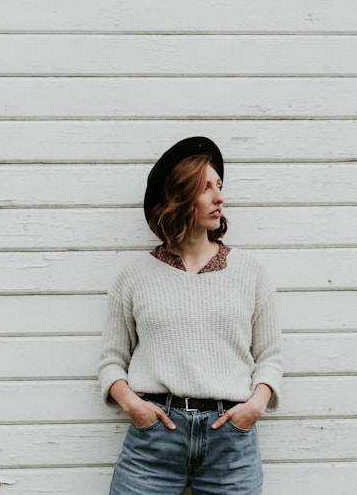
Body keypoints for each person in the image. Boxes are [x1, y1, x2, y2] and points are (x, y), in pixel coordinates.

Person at [98, 136, 283, 494]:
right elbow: (111, 361)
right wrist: (136, 407)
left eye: (220, 186)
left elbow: (270, 357)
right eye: (206, 189)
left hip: (230, 440)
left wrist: (254, 407)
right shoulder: (134, 276)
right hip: (154, 440)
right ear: (179, 197)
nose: (220, 198)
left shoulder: (250, 272)